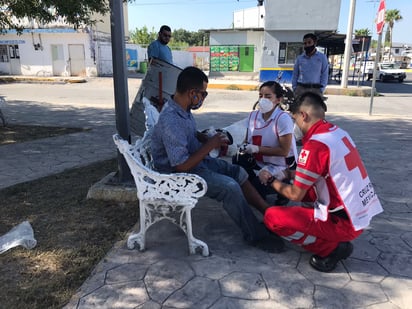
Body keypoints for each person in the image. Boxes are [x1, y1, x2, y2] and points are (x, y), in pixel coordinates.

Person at [150, 66, 284, 253]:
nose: (203, 98)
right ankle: (255, 234)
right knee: (229, 187)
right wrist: (210, 145)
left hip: (194, 162)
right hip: (176, 176)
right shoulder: (171, 119)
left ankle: (271, 216)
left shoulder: (181, 108)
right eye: (203, 94)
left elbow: (185, 134)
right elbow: (180, 166)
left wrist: (204, 138)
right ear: (192, 93)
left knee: (238, 172)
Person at [259, 92, 383, 272]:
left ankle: (332, 248)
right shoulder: (338, 133)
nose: (296, 127)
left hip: (343, 223)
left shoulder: (315, 146)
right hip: (359, 214)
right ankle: (327, 234)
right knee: (308, 194)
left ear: (303, 116)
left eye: (295, 121)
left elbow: (294, 194)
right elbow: (315, 173)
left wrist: (270, 180)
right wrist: (287, 173)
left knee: (272, 217)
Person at [234, 81, 298, 205]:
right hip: (260, 161)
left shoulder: (283, 119)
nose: (263, 100)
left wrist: (257, 149)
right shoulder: (253, 116)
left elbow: (284, 151)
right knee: (238, 160)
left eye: (268, 96)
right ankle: (257, 186)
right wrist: (241, 147)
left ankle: (283, 184)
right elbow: (248, 140)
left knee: (258, 188)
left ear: (278, 99)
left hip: (281, 164)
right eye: (260, 96)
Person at [292, 33, 329, 101]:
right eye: (305, 43)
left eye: (309, 42)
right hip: (301, 89)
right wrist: (294, 88)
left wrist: (321, 89)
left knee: (316, 110)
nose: (307, 45)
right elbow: (295, 74)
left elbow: (325, 74)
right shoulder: (300, 58)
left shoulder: (322, 58)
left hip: (316, 90)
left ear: (315, 43)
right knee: (298, 110)